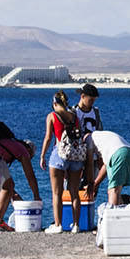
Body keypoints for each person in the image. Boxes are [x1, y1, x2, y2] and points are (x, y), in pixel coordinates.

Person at [37, 91, 87, 233]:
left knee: (57, 192)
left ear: (54, 103)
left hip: (59, 155)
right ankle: (76, 225)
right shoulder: (74, 116)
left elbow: (48, 138)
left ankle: (58, 225)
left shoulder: (52, 116)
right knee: (74, 192)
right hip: (76, 155)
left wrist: (42, 156)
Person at [86, 128, 130, 206]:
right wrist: (95, 184)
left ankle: (113, 216)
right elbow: (105, 166)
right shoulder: (102, 138)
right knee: (117, 189)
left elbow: (89, 163)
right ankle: (121, 212)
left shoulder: (88, 139)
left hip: (119, 154)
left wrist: (91, 184)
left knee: (113, 190)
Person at [74, 83, 104, 198]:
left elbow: (99, 130)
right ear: (82, 96)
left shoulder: (95, 112)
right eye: (91, 100)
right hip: (79, 156)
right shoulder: (73, 112)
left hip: (94, 157)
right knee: (76, 187)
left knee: (92, 189)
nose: (92, 102)